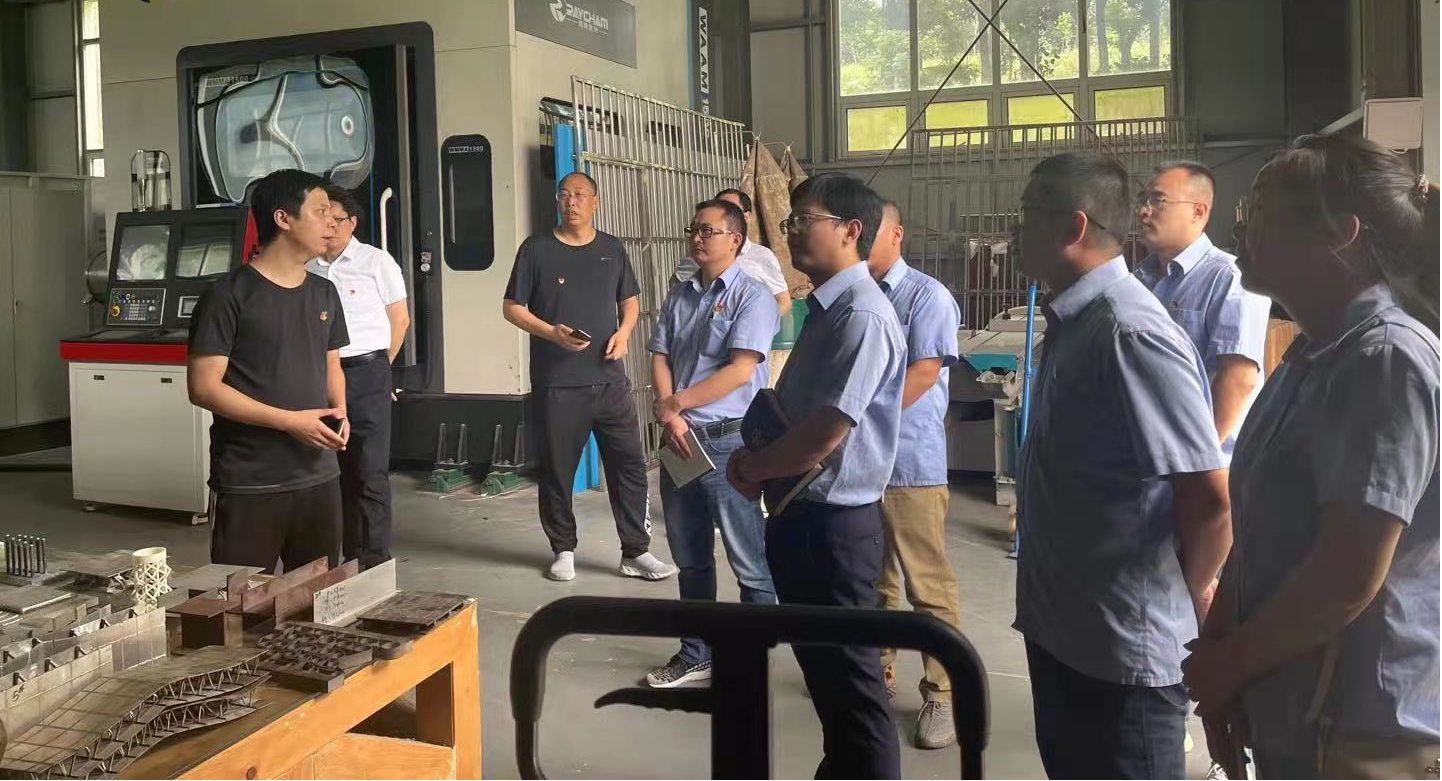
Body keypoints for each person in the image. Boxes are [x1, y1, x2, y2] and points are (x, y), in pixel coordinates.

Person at [1183, 134, 1440, 781]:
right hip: (1295, 704)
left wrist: (1229, 664)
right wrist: (1220, 648)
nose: (1241, 228)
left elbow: (1347, 574)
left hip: (1363, 729)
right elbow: (1265, 528)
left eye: (1261, 212)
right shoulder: (1311, 352)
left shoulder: (1386, 358)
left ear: (1340, 235)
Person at [1011, 152, 1233, 779]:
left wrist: (1184, 595)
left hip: (1120, 656)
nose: (1015, 230)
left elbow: (1209, 498)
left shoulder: (1129, 333)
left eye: (1027, 214)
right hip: (1065, 631)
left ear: (1073, 226)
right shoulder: (1075, 321)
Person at [727, 172, 906, 780]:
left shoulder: (863, 316)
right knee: (831, 686)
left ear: (852, 231)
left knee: (855, 693)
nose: (792, 232)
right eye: (790, 221)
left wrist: (755, 468)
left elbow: (827, 430)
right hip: (803, 516)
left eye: (806, 220)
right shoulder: (827, 309)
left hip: (836, 529)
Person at [502, 171, 677, 582]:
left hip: (611, 382)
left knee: (629, 467)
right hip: (558, 384)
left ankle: (636, 551)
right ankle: (563, 549)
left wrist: (624, 333)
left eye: (580, 195)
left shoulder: (611, 248)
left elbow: (629, 301)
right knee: (557, 472)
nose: (571, 202)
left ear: (595, 202)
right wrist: (551, 333)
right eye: (564, 195)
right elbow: (512, 307)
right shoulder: (536, 250)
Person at [644, 199, 780, 688]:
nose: (697, 238)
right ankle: (695, 653)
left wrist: (675, 404)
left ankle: (751, 659)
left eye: (708, 231)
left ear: (735, 239)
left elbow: (741, 370)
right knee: (690, 556)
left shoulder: (753, 297)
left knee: (749, 560)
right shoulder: (681, 294)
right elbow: (660, 354)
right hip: (679, 441)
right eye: (693, 230)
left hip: (728, 442)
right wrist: (670, 413)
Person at [187, 169, 349, 573]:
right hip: (250, 480)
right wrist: (289, 422)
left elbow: (331, 363)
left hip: (318, 476)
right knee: (243, 601)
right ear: (283, 218)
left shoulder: (324, 292)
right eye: (321, 211)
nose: (333, 222)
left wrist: (340, 411)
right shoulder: (227, 295)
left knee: (318, 595)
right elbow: (204, 388)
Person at [865, 200, 964, 750]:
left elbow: (924, 372)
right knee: (872, 580)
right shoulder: (855, 296)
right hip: (861, 464)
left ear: (897, 233)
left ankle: (944, 693)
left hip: (909, 463)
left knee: (926, 584)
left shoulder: (927, 296)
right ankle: (876, 672)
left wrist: (856, 420)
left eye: (870, 230)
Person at [1136, 161, 1272, 459]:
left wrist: (1197, 461)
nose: (1144, 211)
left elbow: (1238, 379)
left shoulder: (1229, 278)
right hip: (1149, 454)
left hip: (1204, 464)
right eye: (1144, 200)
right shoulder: (1140, 280)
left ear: (1198, 212)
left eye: (1158, 200)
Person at [305, 185, 410, 570]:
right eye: (324, 218)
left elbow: (400, 319)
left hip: (367, 372)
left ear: (353, 222)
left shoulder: (376, 261)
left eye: (338, 219)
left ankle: (373, 560)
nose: (330, 226)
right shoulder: (308, 265)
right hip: (319, 375)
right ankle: (335, 559)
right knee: (329, 470)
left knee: (369, 469)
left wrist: (382, 368)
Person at [674, 188, 792, 316]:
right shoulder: (698, 256)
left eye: (731, 210)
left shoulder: (762, 257)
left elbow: (783, 301)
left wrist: (761, 322)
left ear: (746, 217)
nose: (697, 238)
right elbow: (676, 288)